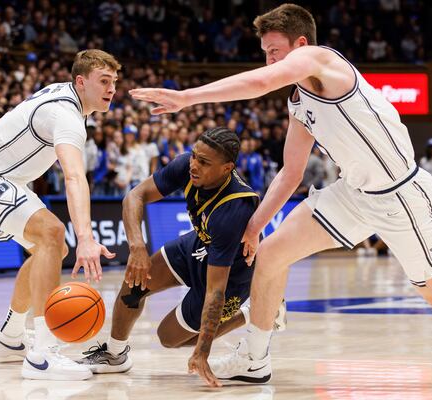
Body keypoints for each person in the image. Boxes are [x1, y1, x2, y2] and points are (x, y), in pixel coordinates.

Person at [131, 3, 432, 386]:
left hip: (402, 196)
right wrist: (255, 226)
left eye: (274, 51)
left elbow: (260, 83)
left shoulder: (321, 60)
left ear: (301, 44)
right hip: (354, 195)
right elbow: (291, 172)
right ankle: (254, 359)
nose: (269, 60)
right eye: (265, 54)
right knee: (271, 256)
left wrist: (187, 97)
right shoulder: (299, 101)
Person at [0, 49, 120, 381]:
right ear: (81, 82)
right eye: (104, 81)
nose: (112, 88)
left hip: (2, 177)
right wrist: (85, 238)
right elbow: (74, 176)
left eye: (114, 81)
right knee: (53, 234)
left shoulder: (71, 103)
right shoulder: (65, 114)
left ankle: (10, 337)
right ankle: (42, 354)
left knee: (53, 247)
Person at [75, 128, 284, 387]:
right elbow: (134, 196)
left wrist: (203, 350)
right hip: (200, 243)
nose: (194, 165)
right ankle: (115, 354)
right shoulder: (187, 165)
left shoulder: (234, 208)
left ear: (227, 168)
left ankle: (256, 312)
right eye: (195, 156)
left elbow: (216, 291)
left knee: (169, 338)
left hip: (232, 273)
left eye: (204, 162)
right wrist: (137, 245)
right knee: (135, 283)